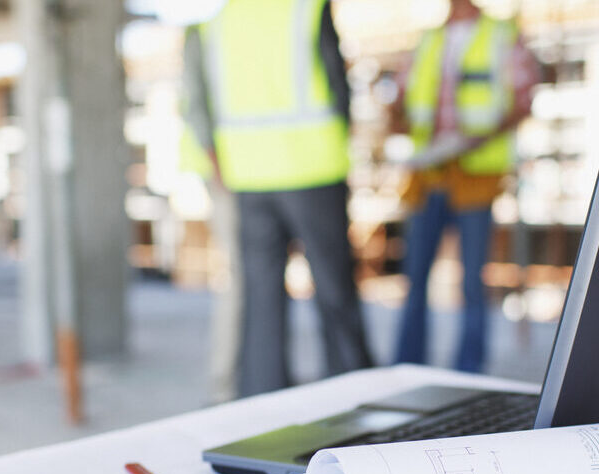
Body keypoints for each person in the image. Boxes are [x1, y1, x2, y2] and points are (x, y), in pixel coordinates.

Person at [183, 0, 374, 398]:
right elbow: (337, 82)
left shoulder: (218, 21)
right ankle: (354, 393)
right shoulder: (305, 8)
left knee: (261, 299)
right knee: (334, 287)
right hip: (313, 166)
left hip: (249, 174)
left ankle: (264, 400)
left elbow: (201, 102)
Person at [392, 0, 540, 373]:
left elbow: (523, 100)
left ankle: (469, 370)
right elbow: (401, 98)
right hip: (428, 174)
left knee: (473, 281)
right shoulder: (429, 40)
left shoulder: (501, 36)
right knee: (415, 278)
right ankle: (407, 367)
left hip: (476, 174)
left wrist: (476, 138)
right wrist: (400, 127)